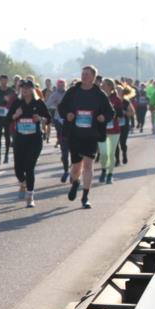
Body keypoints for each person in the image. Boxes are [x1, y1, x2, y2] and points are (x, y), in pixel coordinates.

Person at [57, 65, 114, 209]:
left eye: (87, 74)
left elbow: (110, 112)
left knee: (88, 165)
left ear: (93, 77)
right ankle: (75, 182)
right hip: (75, 134)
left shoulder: (99, 94)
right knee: (76, 167)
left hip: (91, 135)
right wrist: (67, 114)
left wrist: (103, 117)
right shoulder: (73, 91)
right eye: (83, 74)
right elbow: (61, 107)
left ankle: (85, 197)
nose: (84, 76)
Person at [7, 78, 52, 207]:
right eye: (23, 88)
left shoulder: (39, 103)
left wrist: (41, 118)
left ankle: (30, 196)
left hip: (35, 140)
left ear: (32, 89)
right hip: (20, 140)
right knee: (18, 170)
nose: (25, 90)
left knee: (29, 167)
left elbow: (49, 119)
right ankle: (24, 182)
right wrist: (15, 115)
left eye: (27, 88)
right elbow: (7, 119)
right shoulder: (17, 103)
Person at [0, 74, 16, 164]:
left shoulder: (11, 91)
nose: (4, 82)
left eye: (5, 80)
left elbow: (14, 101)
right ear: (0, 81)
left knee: (7, 136)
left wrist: (9, 100)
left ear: (7, 81)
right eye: (2, 80)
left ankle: (6, 156)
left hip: (7, 116)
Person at [114, 80, 136, 166]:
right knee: (115, 143)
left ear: (123, 93)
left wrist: (125, 113)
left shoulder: (127, 102)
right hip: (115, 125)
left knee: (122, 142)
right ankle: (117, 160)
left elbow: (133, 113)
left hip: (124, 124)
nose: (117, 92)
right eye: (116, 91)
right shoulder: (113, 101)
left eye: (119, 91)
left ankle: (124, 154)